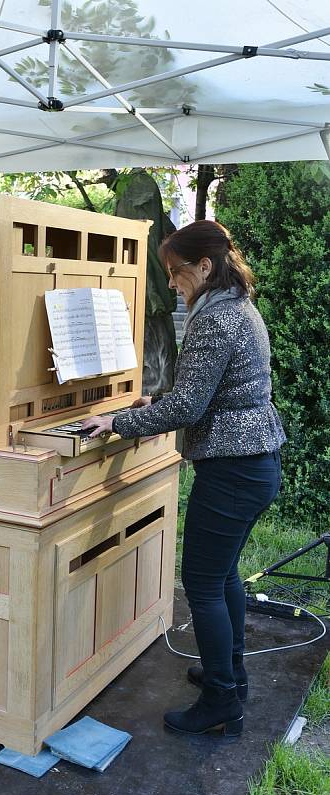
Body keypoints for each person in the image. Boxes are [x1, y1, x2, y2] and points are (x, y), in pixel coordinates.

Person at [81, 220, 285, 737]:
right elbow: (205, 392)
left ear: (205, 267)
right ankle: (230, 674)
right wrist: (158, 402)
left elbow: (192, 403)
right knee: (223, 574)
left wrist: (118, 422)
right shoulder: (238, 307)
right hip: (253, 463)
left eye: (175, 273)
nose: (171, 283)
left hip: (235, 470)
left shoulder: (215, 317)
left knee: (201, 581)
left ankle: (221, 699)